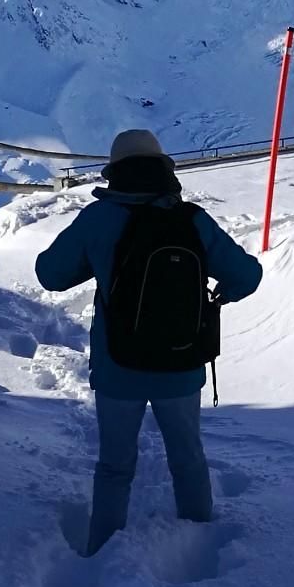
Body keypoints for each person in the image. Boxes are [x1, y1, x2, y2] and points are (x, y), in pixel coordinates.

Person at [34, 128, 263, 554]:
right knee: (188, 457)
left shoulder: (100, 219)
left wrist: (99, 264)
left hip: (119, 365)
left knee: (115, 466)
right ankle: (198, 542)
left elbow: (50, 274)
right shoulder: (191, 219)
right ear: (163, 170)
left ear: (114, 174)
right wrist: (219, 294)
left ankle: (101, 549)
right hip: (181, 364)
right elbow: (247, 276)